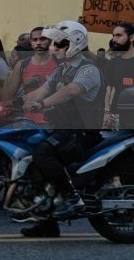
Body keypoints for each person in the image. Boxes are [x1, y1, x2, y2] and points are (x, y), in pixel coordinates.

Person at [21, 20, 104, 238]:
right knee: (33, 157)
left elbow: (70, 91)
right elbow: (42, 91)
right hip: (61, 129)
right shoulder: (60, 69)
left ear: (75, 43)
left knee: (43, 153)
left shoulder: (88, 70)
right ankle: (47, 221)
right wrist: (12, 104)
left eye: (59, 44)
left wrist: (42, 104)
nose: (53, 48)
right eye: (54, 43)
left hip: (81, 132)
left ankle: (73, 198)